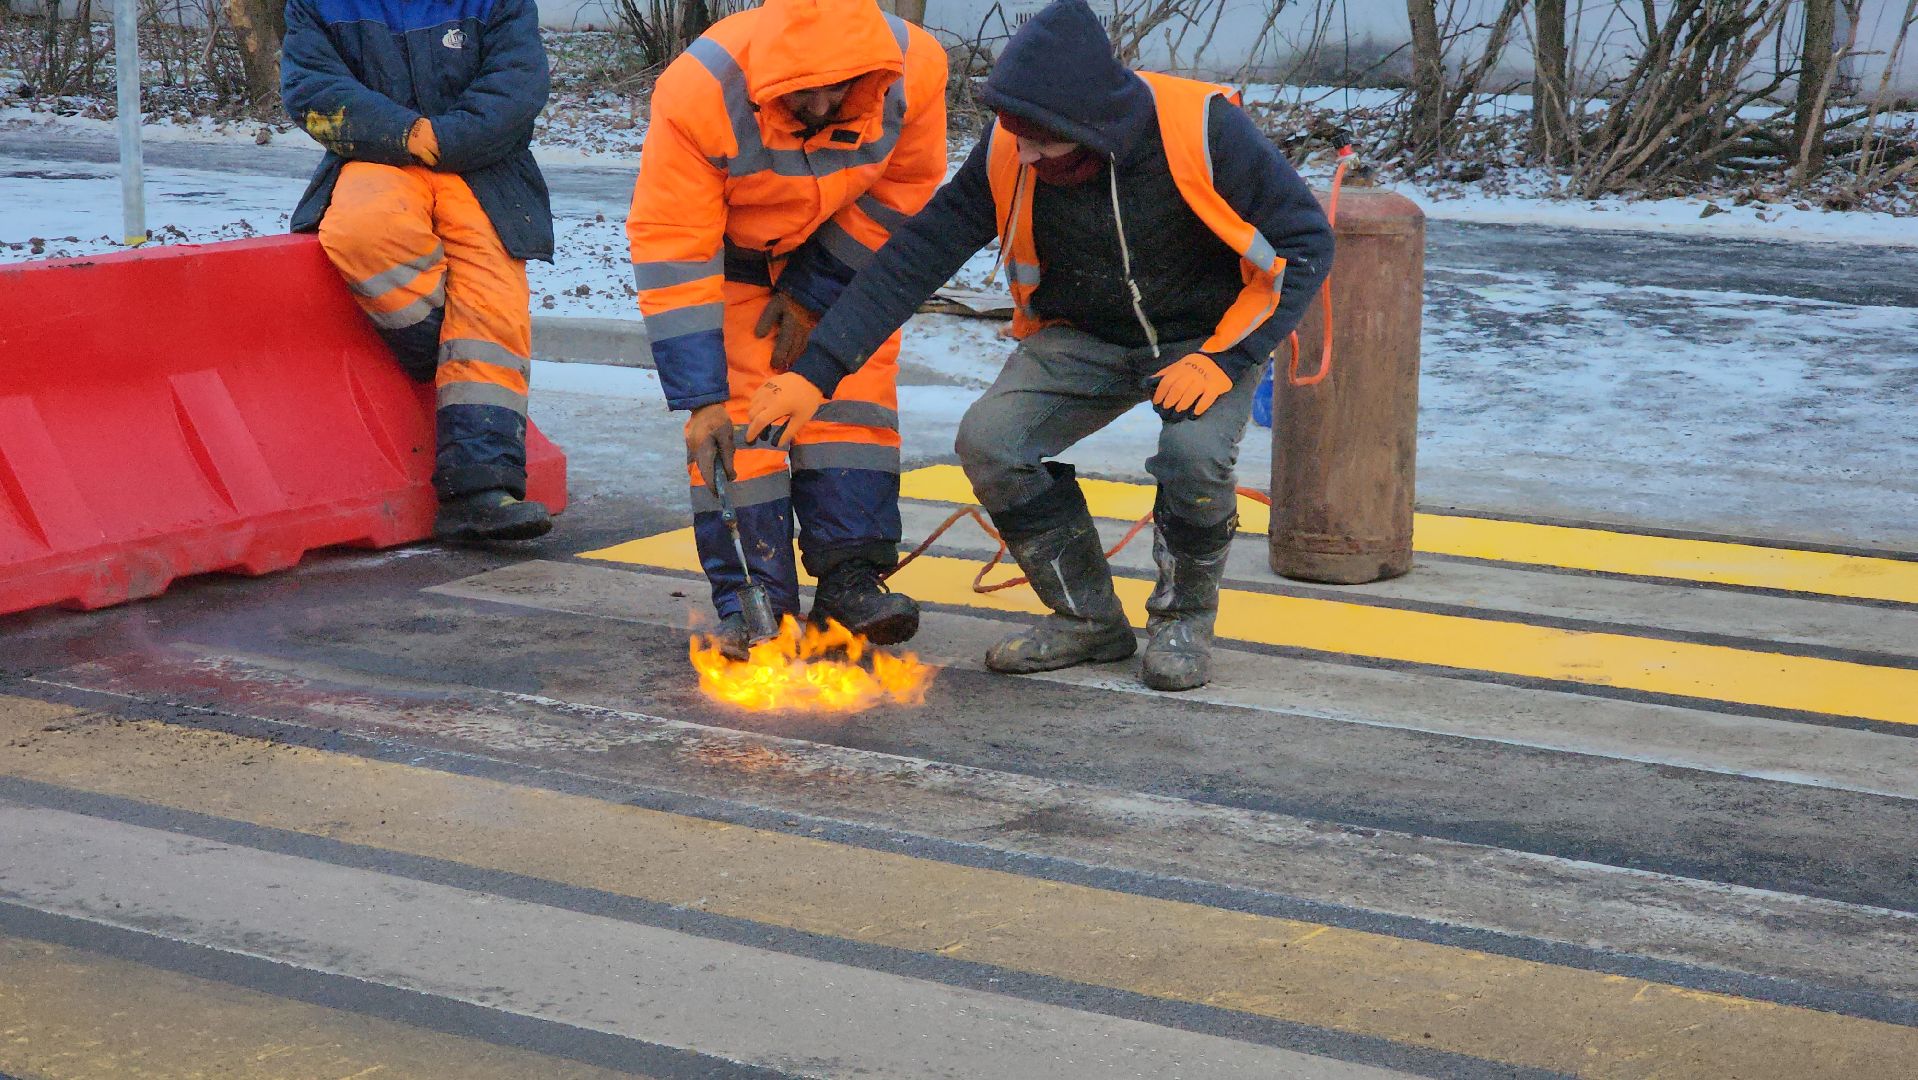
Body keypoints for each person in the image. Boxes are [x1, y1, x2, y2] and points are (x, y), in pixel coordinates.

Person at [753, 0, 1335, 691]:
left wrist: (1227, 358)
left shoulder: (1202, 128)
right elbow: (915, 257)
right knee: (991, 440)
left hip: (1202, 343)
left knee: (1193, 457)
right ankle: (1089, 620)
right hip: (1082, 337)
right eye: (1014, 134)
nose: (1022, 152)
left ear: (1086, 124)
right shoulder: (1011, 145)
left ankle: (1182, 622)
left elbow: (1305, 242)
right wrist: (818, 372)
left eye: (1040, 141)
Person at [628, 0, 948, 657]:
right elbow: (675, 246)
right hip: (738, 261)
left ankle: (853, 583)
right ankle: (755, 604)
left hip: (842, 258)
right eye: (808, 94)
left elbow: (905, 191)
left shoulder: (915, 71)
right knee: (741, 429)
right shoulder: (700, 91)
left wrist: (815, 292)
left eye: (842, 90)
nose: (826, 106)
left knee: (852, 404)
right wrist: (701, 399)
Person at [283, 0, 554, 543]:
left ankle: (480, 491)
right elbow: (311, 86)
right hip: (377, 156)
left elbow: (518, 85)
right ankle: (443, 352)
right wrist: (403, 133)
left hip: (481, 166)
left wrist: (445, 139)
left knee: (492, 296)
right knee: (362, 231)